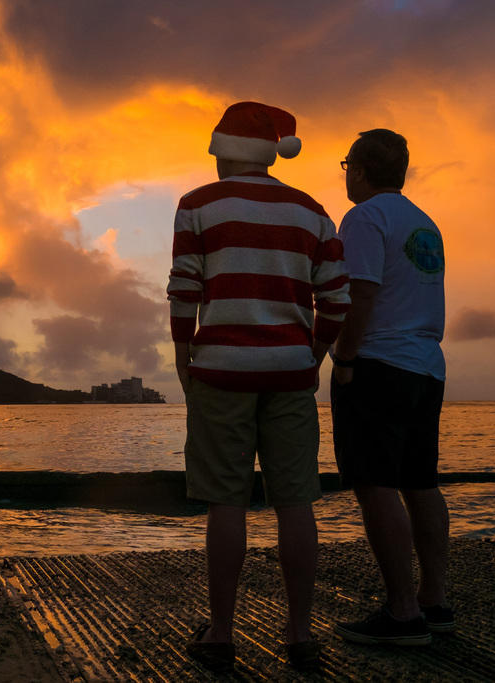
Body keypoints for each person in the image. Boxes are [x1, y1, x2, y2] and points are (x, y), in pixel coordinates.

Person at [167, 101, 350, 671]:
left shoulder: (196, 205)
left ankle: (221, 633)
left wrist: (183, 354)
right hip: (291, 372)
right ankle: (299, 634)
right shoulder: (312, 211)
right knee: (295, 502)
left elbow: (184, 289)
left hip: (220, 369)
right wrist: (312, 355)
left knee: (227, 503)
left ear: (223, 151)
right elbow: (337, 299)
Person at [330, 129, 451, 646]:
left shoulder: (364, 218)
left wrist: (346, 357)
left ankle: (402, 613)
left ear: (358, 169)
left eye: (346, 165)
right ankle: (433, 600)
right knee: (420, 483)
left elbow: (361, 293)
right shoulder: (425, 223)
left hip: (379, 362)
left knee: (374, 483)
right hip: (427, 366)